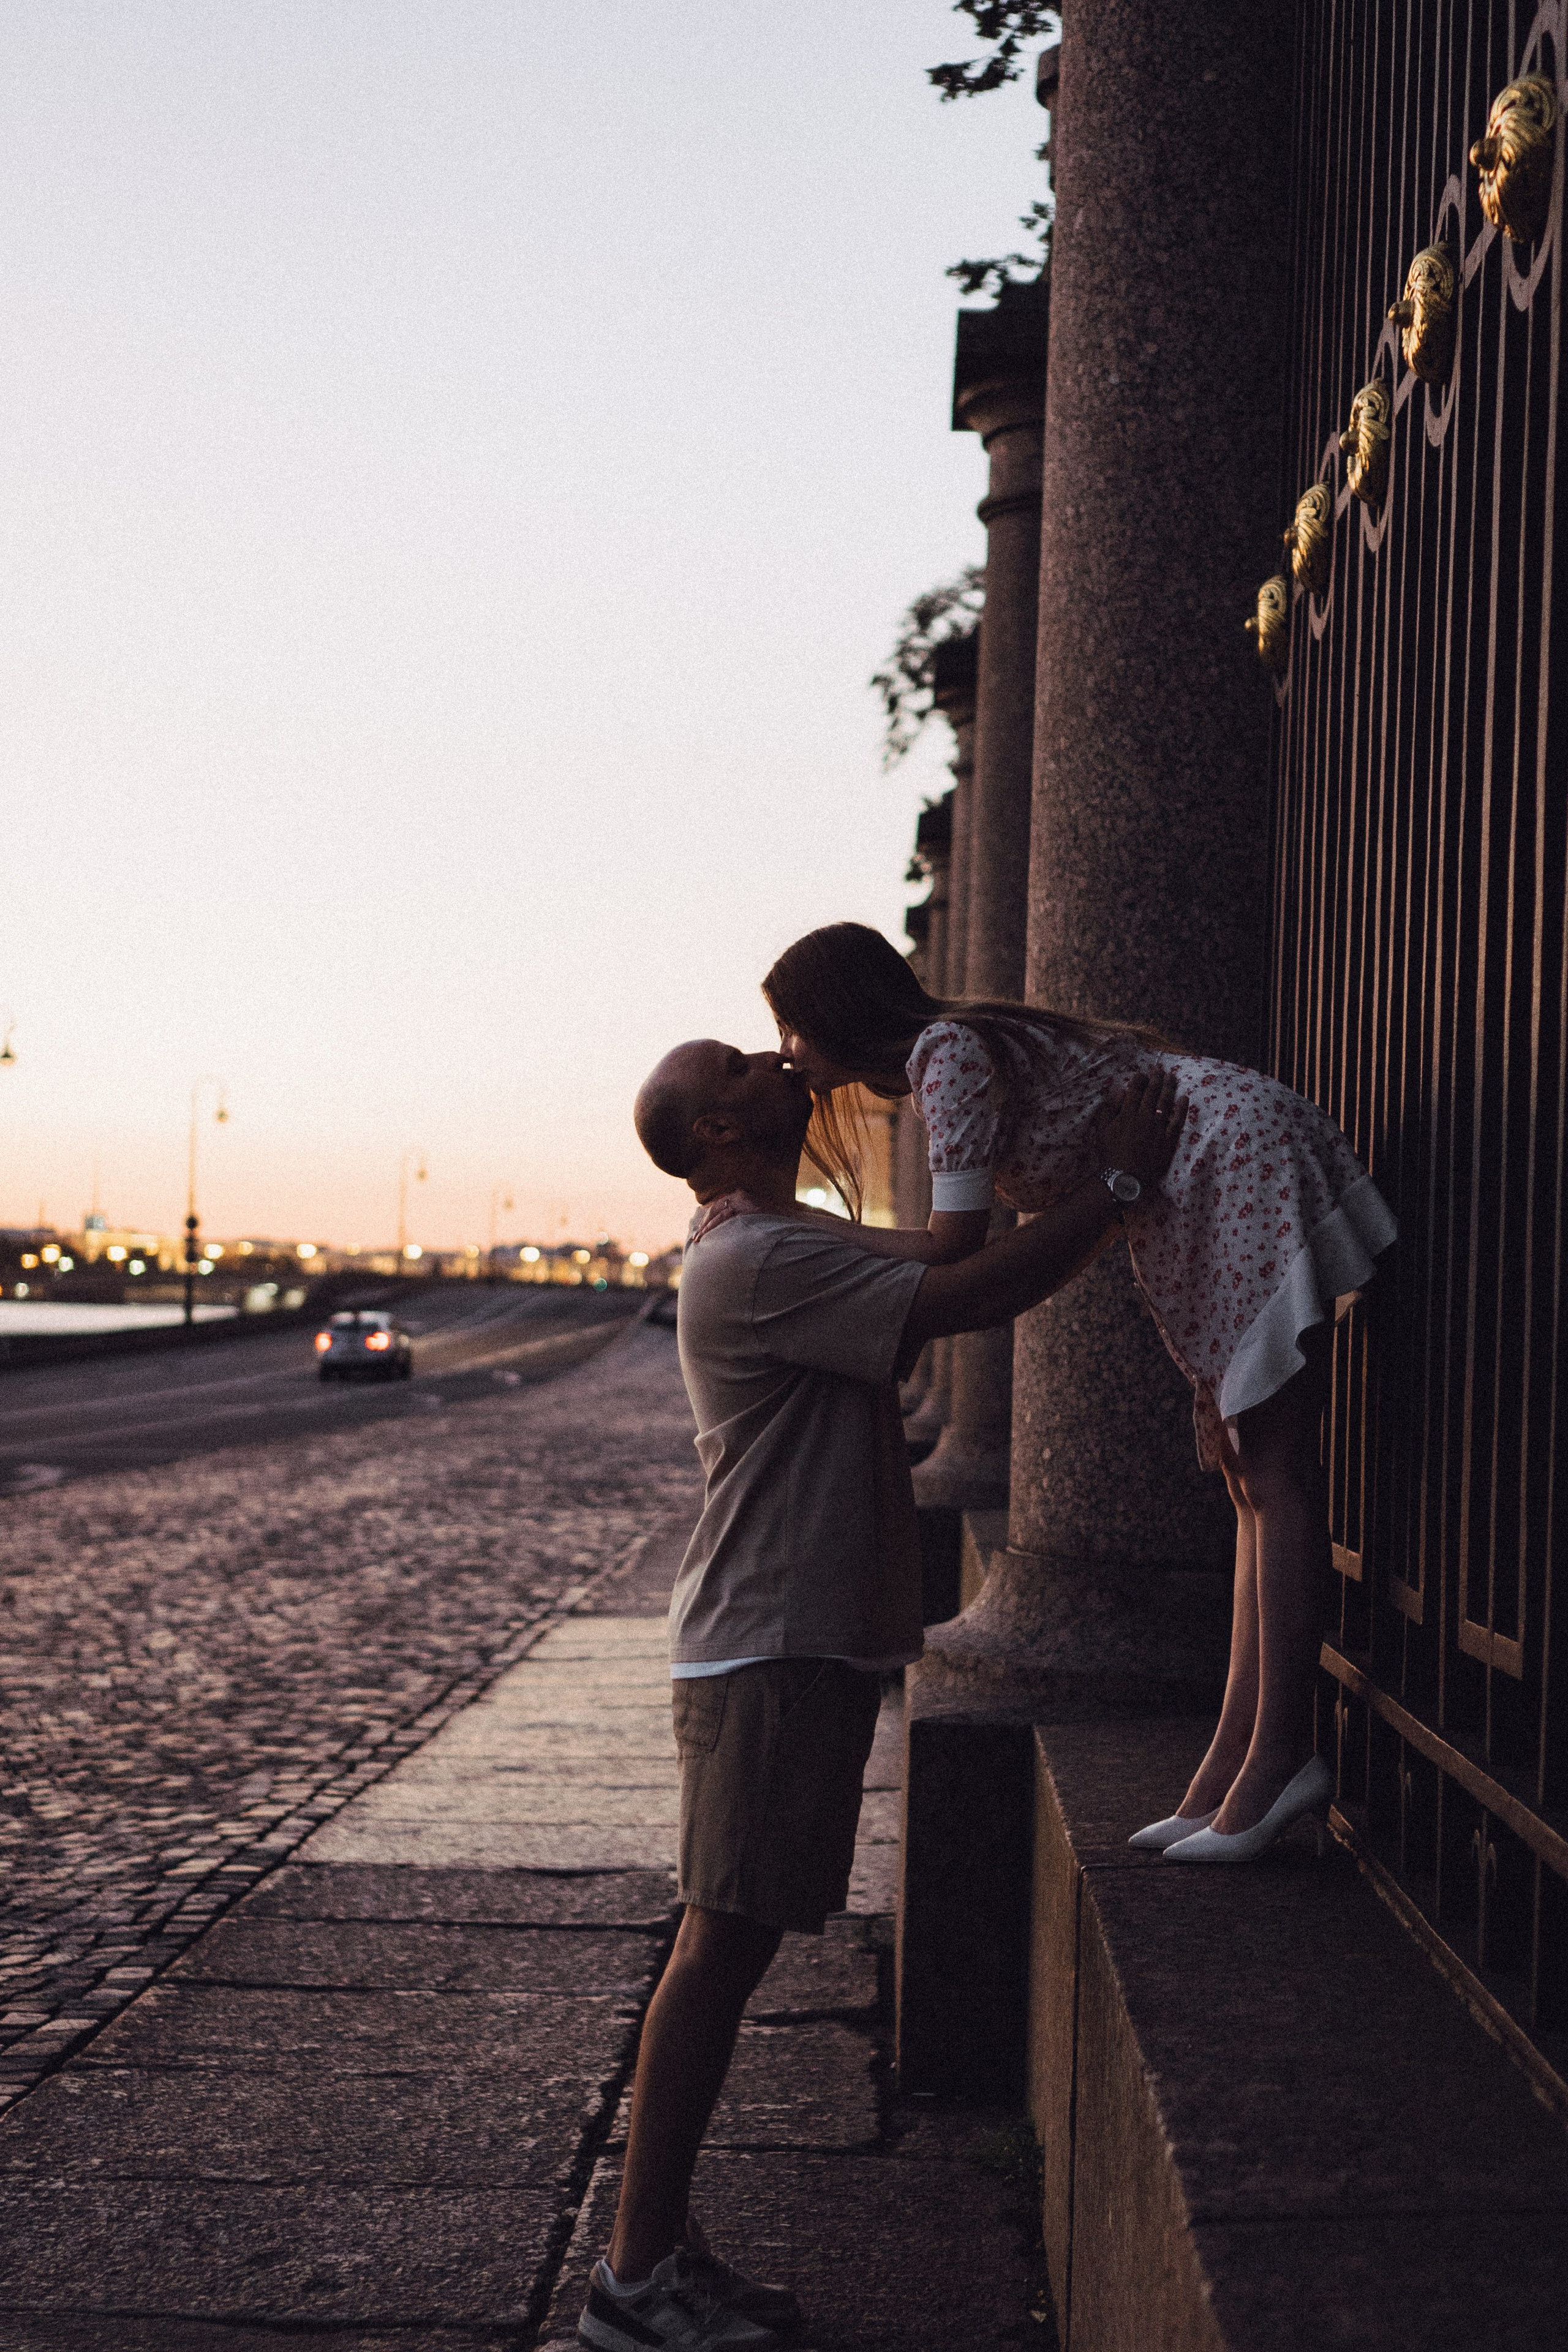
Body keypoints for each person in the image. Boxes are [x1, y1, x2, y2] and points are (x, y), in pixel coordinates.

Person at [575, 1038, 1186, 2352]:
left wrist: (1031, 1156)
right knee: (716, 1952)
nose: (762, 1055)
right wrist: (1120, 1187)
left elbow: (951, 1251)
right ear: (712, 1134)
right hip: (769, 1643)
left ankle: (659, 2255)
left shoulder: (787, 1235)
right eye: (732, 1065)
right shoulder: (755, 1262)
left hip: (795, 1639)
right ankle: (631, 2287)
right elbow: (969, 1297)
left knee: (723, 1949)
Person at [761, 921, 1398, 1864]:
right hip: (1205, 1175)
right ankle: (1233, 1761)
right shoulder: (950, 1054)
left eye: (790, 1030)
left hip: (1228, 1162)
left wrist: (793, 1234)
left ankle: (1279, 1757)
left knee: (1274, 1474)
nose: (785, 1054)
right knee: (1249, 1480)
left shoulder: (945, 1053)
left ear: (834, 1011)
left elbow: (955, 1247)